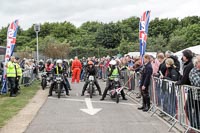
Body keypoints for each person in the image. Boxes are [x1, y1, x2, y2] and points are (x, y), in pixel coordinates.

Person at [189, 55, 200, 129]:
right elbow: (198, 83)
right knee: (197, 113)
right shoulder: (193, 71)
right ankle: (195, 127)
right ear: (197, 63)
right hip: (197, 97)